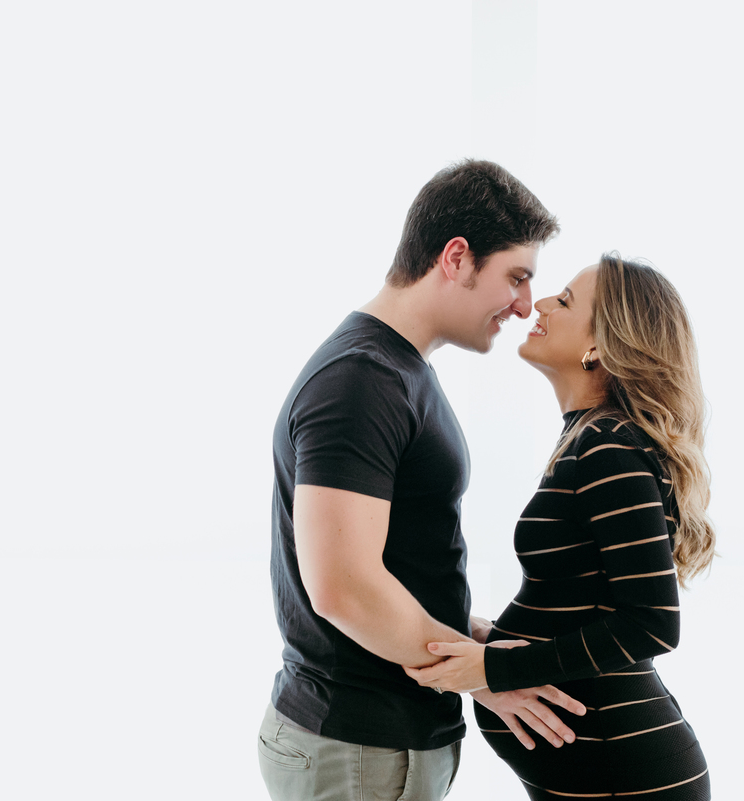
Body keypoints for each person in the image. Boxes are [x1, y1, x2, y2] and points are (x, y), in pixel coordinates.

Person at [258, 160, 588, 801]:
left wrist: (473, 636)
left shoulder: (395, 370)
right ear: (456, 258)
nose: (525, 305)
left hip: (379, 745)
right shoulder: (362, 380)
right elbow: (344, 588)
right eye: (516, 277)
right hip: (358, 748)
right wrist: (484, 678)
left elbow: (392, 565)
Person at [405, 255, 716, 799]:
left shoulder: (609, 447)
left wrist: (495, 669)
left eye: (565, 301)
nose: (540, 304)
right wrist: (491, 638)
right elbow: (583, 600)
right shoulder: (592, 440)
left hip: (626, 775)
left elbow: (652, 623)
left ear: (600, 345)